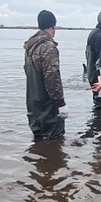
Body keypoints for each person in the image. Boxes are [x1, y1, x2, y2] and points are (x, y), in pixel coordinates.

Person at [24, 9, 67, 140]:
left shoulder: (29, 47)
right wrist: (61, 103)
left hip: (33, 107)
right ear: (53, 27)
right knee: (55, 145)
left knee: (38, 146)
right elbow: (52, 78)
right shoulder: (48, 47)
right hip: (48, 109)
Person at [85, 10, 101, 110]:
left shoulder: (93, 33)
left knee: (97, 100)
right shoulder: (100, 35)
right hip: (97, 75)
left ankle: (96, 123)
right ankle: (100, 124)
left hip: (91, 72)